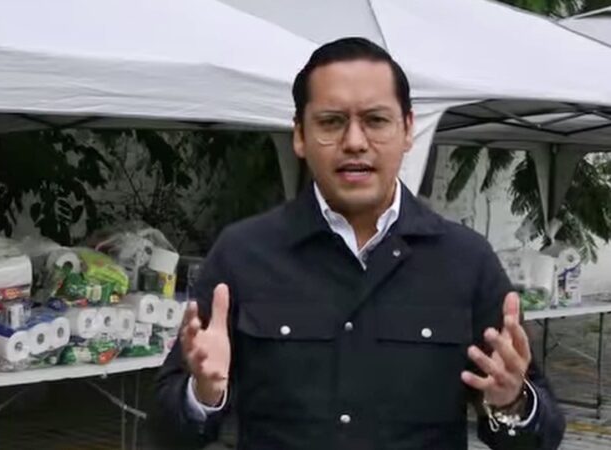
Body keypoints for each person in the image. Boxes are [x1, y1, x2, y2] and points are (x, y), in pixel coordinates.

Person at [155, 37, 565, 449]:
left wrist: (512, 401)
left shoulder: (466, 260)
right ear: (300, 135)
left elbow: (543, 436)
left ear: (407, 130)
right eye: (331, 122)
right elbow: (163, 430)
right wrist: (202, 396)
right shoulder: (244, 254)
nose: (354, 141)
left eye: (376, 120)